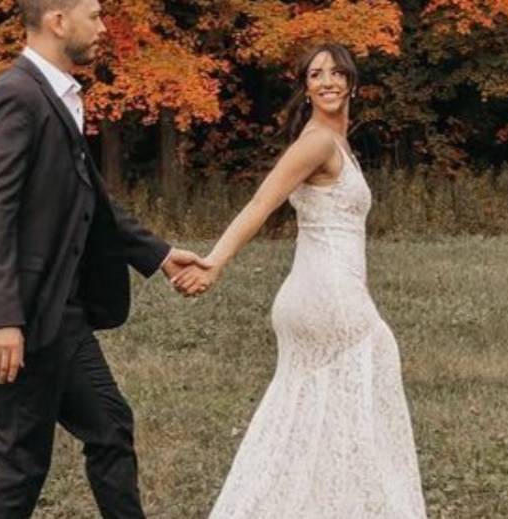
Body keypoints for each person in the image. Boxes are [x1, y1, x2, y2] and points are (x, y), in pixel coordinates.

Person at [0, 0, 205, 517]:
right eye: (95, 15)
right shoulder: (14, 95)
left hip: (63, 313)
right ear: (58, 21)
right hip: (21, 315)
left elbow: (89, 197)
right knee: (20, 463)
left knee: (110, 429)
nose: (104, 27)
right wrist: (1, 318)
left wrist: (156, 254)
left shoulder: (59, 94)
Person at [173, 43, 428, 518]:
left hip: (330, 291)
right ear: (306, 88)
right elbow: (260, 204)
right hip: (325, 296)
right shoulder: (315, 142)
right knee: (359, 405)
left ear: (352, 82)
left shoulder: (336, 142)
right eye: (316, 75)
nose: (327, 81)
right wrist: (215, 261)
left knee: (308, 417)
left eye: (336, 73)